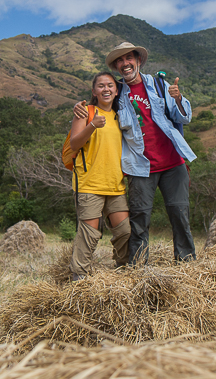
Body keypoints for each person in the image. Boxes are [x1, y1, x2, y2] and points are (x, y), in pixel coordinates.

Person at [75, 42, 197, 264]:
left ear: (138, 61)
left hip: (173, 164)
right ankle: (138, 268)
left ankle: (187, 265)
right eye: (120, 61)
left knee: (180, 216)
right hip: (140, 167)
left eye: (129, 58)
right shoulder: (117, 91)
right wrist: (79, 108)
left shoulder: (159, 84)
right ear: (117, 67)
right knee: (139, 220)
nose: (125, 63)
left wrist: (178, 98)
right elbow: (98, 104)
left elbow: (183, 118)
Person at [68, 71, 131, 281]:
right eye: (101, 86)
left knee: (124, 231)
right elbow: (74, 144)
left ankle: (122, 270)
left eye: (110, 85)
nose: (106, 89)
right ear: (94, 91)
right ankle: (79, 277)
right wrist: (92, 125)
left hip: (115, 184)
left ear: (116, 90)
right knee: (89, 235)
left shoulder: (120, 114)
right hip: (89, 184)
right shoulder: (85, 112)